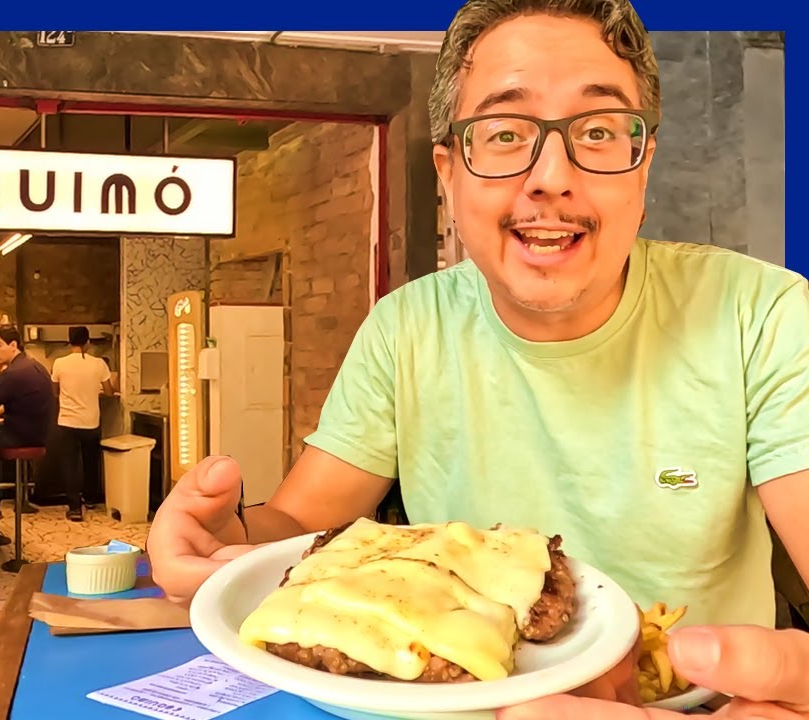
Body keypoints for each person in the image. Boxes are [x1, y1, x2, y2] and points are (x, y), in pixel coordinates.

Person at [146, 0, 809, 717]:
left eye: (597, 130)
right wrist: (229, 538)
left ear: (642, 166)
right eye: (503, 132)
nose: (551, 176)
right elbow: (295, 530)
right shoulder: (407, 327)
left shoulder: (762, 315)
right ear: (449, 174)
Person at [0, 326, 53, 529]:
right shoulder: (35, 366)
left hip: (19, 436)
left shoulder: (14, 373)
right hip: (36, 434)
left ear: (13, 345)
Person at [51, 326, 117, 522]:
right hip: (90, 421)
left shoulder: (59, 363)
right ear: (88, 342)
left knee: (70, 464)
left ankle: (74, 508)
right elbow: (109, 392)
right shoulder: (98, 364)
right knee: (90, 461)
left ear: (69, 342)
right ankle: (90, 498)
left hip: (67, 421)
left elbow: (54, 391)